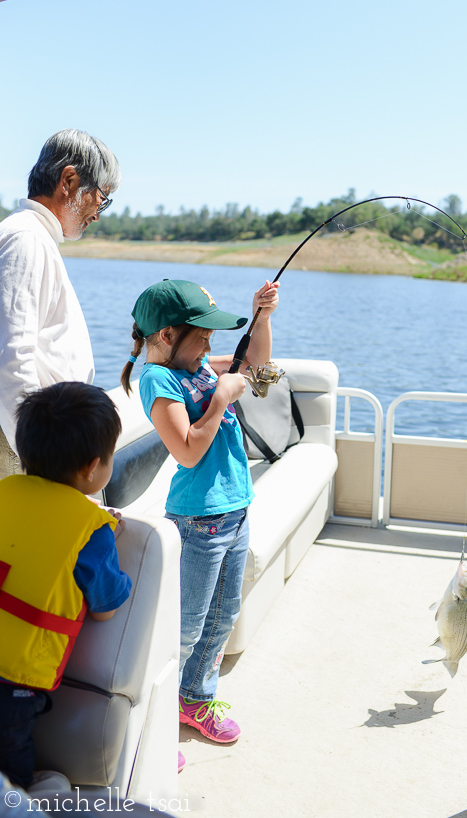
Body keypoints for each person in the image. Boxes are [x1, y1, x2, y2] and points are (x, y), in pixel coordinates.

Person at [121, 277, 279, 745]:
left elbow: (257, 365)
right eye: (202, 336)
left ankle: (194, 700)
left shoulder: (198, 365)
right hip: (198, 523)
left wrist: (262, 319)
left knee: (222, 618)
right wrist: (221, 398)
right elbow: (188, 450)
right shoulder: (159, 379)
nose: (209, 345)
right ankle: (151, 728)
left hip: (236, 511)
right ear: (166, 336)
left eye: (212, 338)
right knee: (185, 629)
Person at [0, 382, 132, 791]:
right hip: (14, 682)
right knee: (11, 761)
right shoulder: (91, 531)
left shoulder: (4, 489)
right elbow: (106, 606)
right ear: (93, 467)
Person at [0, 129, 120, 480]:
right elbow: (11, 360)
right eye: (101, 197)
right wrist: (44, 465)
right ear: (69, 179)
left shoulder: (29, 236)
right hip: (24, 451)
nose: (98, 213)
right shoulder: (26, 239)